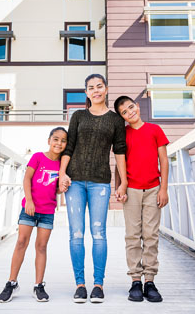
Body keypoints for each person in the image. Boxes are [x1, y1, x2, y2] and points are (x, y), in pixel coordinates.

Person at [58, 74, 128, 304]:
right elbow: (69, 147)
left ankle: (98, 284)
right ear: (86, 92)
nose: (96, 90)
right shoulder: (78, 116)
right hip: (75, 182)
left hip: (100, 182)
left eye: (99, 86)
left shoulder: (116, 120)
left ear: (106, 89)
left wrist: (123, 181)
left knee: (99, 234)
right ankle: (80, 284)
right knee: (76, 234)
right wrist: (62, 173)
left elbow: (119, 152)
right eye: (91, 88)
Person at [0, 127, 68, 303]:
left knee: (41, 247)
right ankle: (11, 282)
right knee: (21, 242)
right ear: (49, 140)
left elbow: (56, 189)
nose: (59, 143)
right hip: (29, 208)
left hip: (47, 211)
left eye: (63, 140)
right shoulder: (38, 157)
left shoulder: (62, 164)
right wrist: (29, 201)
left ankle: (38, 286)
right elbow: (27, 178)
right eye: (56, 139)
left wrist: (62, 188)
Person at [114, 95, 169, 303]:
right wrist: (118, 186)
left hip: (154, 188)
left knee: (151, 235)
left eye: (131, 107)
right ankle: (135, 280)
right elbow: (119, 164)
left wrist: (164, 188)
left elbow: (163, 160)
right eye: (125, 113)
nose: (130, 113)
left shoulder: (155, 130)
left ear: (137, 106)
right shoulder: (123, 134)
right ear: (123, 117)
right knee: (133, 235)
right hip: (132, 191)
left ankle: (150, 281)